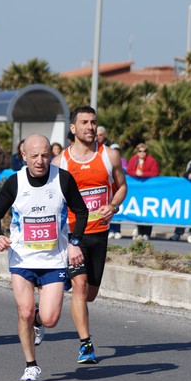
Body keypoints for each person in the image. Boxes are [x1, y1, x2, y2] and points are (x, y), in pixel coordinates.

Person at [0, 134, 88, 381]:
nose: (40, 161)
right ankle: (31, 366)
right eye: (34, 156)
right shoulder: (15, 182)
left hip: (54, 260)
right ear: (24, 156)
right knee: (24, 312)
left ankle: (39, 321)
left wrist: (74, 242)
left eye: (45, 155)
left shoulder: (62, 179)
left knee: (51, 318)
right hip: (22, 258)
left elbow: (81, 210)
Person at [52, 106, 127, 364]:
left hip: (99, 233)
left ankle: (61, 284)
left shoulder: (110, 156)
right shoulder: (60, 163)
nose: (90, 127)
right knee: (81, 288)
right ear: (72, 128)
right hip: (73, 235)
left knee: (90, 294)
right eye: (84, 122)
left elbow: (122, 186)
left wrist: (113, 205)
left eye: (93, 122)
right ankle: (86, 344)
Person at [126, 143, 159, 240]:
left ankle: (147, 233)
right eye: (140, 151)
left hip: (148, 190)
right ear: (137, 152)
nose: (142, 153)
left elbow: (155, 172)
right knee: (138, 211)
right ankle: (139, 232)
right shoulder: (133, 159)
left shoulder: (151, 160)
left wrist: (143, 174)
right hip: (138, 191)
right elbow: (129, 170)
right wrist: (136, 173)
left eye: (144, 151)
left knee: (148, 211)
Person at [108, 143, 128, 239]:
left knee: (116, 208)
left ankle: (117, 230)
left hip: (117, 188)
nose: (116, 152)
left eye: (117, 150)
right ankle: (110, 229)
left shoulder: (122, 160)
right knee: (108, 209)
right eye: (114, 149)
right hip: (109, 188)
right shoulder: (106, 159)